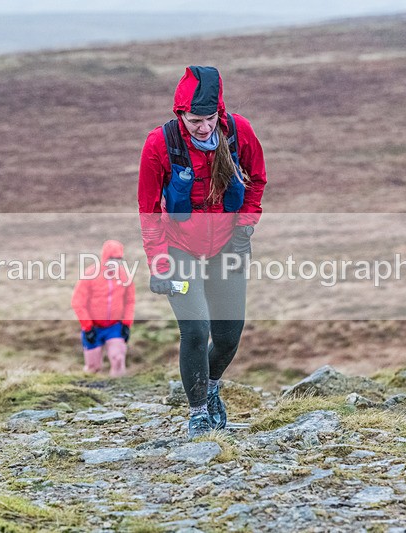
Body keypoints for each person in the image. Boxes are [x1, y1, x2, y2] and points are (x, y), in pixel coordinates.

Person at [138, 66, 267, 438]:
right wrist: (159, 264)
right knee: (195, 329)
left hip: (227, 247)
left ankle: (211, 390)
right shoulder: (159, 144)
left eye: (210, 119)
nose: (204, 128)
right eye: (195, 120)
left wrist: (245, 228)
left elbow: (257, 178)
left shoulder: (238, 131)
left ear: (219, 112)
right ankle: (196, 413)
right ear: (181, 114)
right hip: (179, 251)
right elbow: (148, 209)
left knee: (228, 335)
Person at [70, 240, 136, 377]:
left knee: (118, 359)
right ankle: (90, 394)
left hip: (114, 327)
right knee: (93, 368)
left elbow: (130, 301)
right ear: (105, 257)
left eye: (118, 259)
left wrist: (126, 324)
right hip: (93, 328)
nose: (115, 262)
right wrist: (88, 327)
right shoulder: (89, 275)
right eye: (112, 258)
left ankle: (120, 395)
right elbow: (78, 302)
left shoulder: (125, 276)